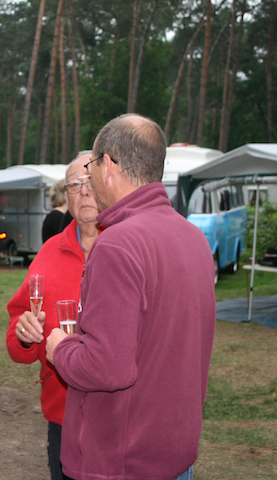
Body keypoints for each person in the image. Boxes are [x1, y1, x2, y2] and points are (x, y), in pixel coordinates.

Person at [45, 114, 216, 480]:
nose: (90, 177)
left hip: (121, 462)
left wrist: (60, 348)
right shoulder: (193, 237)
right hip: (174, 455)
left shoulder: (117, 244)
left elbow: (105, 367)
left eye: (91, 166)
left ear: (107, 165)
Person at [7, 151, 99, 480]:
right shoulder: (49, 252)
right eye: (74, 184)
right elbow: (18, 326)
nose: (83, 191)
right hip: (63, 416)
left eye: (90, 181)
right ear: (66, 195)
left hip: (119, 417)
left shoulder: (130, 247)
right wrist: (23, 334)